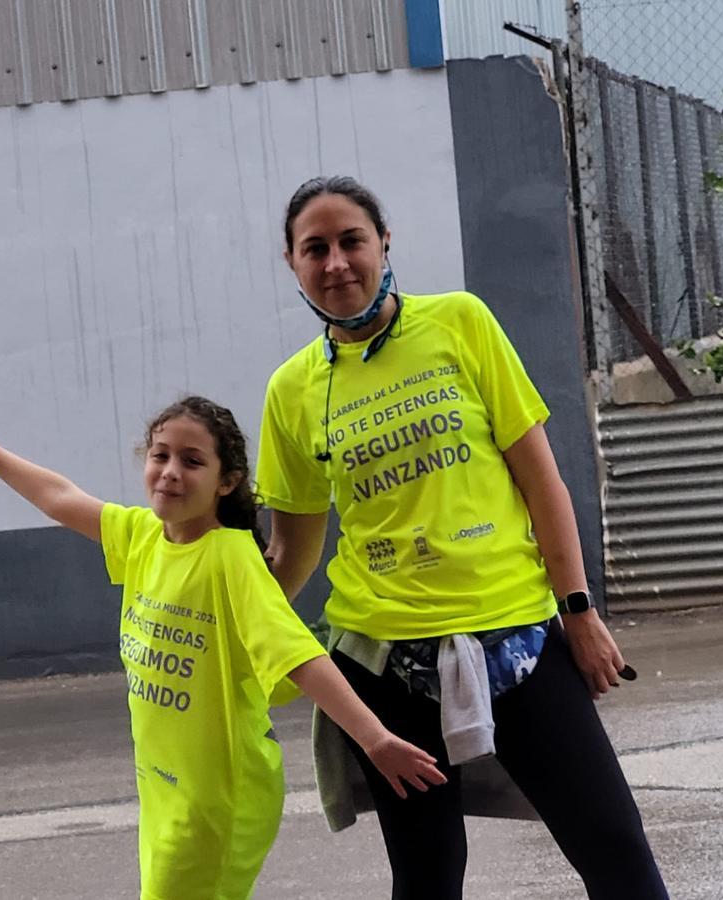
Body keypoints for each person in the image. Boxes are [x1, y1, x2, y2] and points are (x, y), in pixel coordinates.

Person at [256, 176, 669, 899]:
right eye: (314, 249)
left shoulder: (460, 321)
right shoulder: (290, 390)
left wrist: (579, 611)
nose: (336, 263)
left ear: (384, 242)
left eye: (352, 240)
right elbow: (293, 552)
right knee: (427, 879)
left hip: (518, 638)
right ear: (292, 263)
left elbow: (541, 481)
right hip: (385, 664)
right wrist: (230, 627)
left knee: (615, 852)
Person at [0, 369, 445, 900]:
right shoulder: (142, 536)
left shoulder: (230, 559)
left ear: (227, 481)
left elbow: (298, 656)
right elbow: (58, 496)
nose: (171, 472)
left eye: (192, 461)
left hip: (219, 796)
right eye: (161, 456)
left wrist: (374, 739)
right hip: (163, 785)